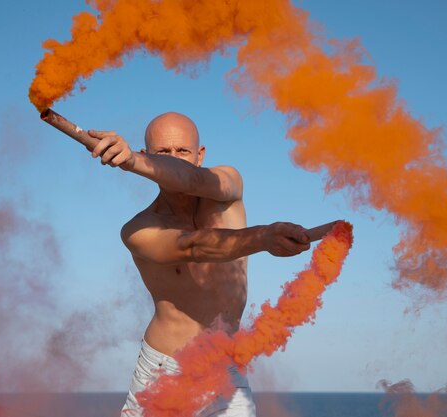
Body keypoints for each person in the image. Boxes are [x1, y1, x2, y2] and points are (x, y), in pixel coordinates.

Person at [89, 112, 313, 417]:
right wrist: (264, 238)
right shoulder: (137, 230)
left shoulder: (227, 184)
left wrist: (132, 163)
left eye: (183, 151)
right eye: (162, 153)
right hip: (161, 372)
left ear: (200, 155)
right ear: (146, 156)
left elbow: (191, 178)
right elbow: (193, 245)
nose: (175, 160)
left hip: (225, 370)